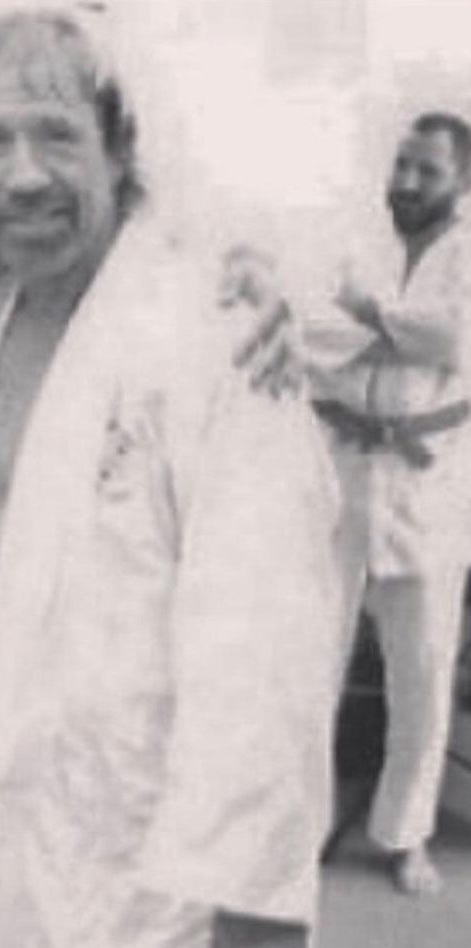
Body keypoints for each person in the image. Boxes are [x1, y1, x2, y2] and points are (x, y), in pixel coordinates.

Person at [0, 12, 340, 948]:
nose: (24, 174)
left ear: (123, 149)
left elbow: (265, 667)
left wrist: (253, 918)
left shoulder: (221, 331)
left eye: (58, 135)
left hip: (164, 881)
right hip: (20, 838)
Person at [301, 111, 471, 895]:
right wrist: (385, 331)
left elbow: (452, 339)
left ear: (461, 182)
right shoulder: (349, 235)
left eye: (426, 171)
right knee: (306, 665)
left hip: (428, 485)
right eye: (401, 164)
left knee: (421, 672)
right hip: (339, 473)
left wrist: (368, 315)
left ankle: (405, 836)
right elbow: (310, 333)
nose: (405, 181)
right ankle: (291, 824)